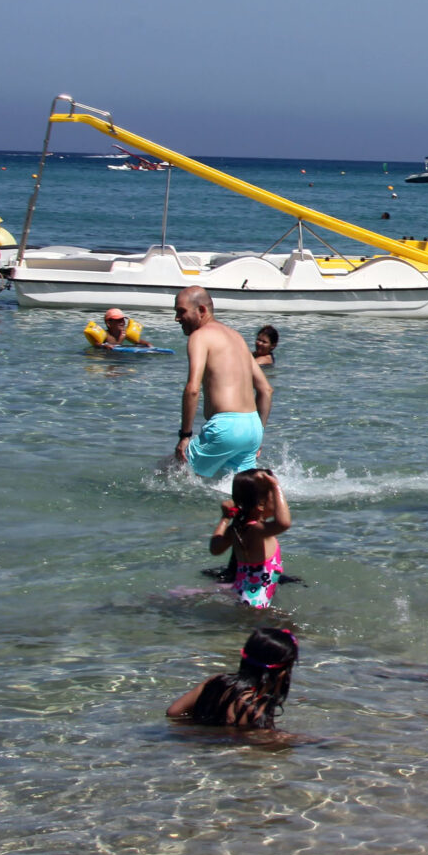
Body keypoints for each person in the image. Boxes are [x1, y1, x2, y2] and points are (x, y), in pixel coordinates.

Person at [171, 287, 274, 478]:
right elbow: (266, 390)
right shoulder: (237, 337)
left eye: (181, 311)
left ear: (201, 310)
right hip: (252, 427)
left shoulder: (200, 336)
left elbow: (192, 389)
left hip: (226, 427)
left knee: (170, 474)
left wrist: (185, 436)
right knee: (238, 492)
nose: (176, 318)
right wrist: (259, 433)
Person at [167, 627, 298, 730]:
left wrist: (201, 733)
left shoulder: (215, 682)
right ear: (282, 673)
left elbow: (173, 712)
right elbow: (262, 741)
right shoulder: (256, 708)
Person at [209, 468, 291, 607]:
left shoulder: (237, 528)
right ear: (260, 504)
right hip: (256, 606)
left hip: (242, 597)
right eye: (274, 496)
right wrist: (275, 485)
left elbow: (215, 549)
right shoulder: (255, 530)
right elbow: (283, 523)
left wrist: (225, 518)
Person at [85, 308, 151, 349]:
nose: (122, 322)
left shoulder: (124, 334)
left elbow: (137, 341)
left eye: (123, 319)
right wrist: (104, 346)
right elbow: (96, 344)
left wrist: (146, 343)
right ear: (108, 323)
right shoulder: (106, 335)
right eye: (118, 320)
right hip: (106, 354)